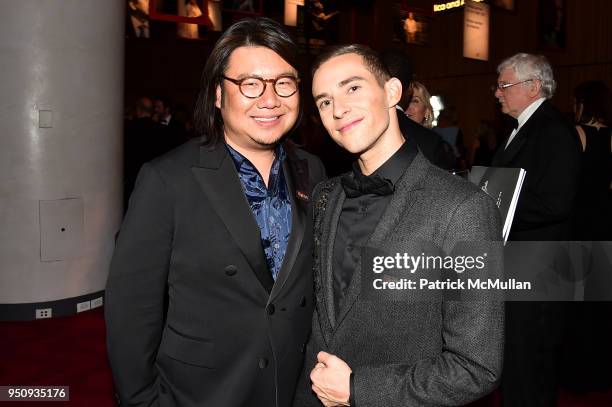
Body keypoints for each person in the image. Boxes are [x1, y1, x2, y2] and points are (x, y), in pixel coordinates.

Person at [106, 17, 326, 407]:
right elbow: (131, 309)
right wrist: (142, 399)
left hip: (290, 385)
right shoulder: (167, 179)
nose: (270, 99)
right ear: (219, 95)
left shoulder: (312, 169)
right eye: (250, 84)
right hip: (201, 390)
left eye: (284, 83)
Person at [293, 44, 504, 407]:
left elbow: (476, 365)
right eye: (324, 102)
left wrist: (358, 389)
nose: (338, 109)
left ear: (392, 92)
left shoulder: (463, 208)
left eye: (353, 88)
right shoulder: (324, 196)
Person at [491, 53, 582, 406]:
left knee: (530, 364)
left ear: (532, 86)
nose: (496, 92)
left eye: (504, 85)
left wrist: (495, 207)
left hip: (537, 270)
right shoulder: (522, 130)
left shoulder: (554, 132)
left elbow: (555, 204)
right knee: (516, 360)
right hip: (518, 266)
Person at [381, 50, 455, 170]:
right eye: (409, 100)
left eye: (415, 101)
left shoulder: (435, 146)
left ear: (426, 111)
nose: (408, 106)